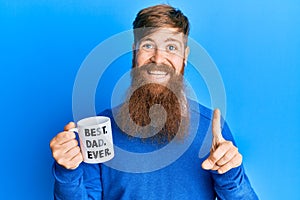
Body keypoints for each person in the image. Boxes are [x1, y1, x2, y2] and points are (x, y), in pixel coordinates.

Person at [50, 4, 258, 199]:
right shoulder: (101, 130)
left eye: (171, 47)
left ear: (185, 56)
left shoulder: (211, 130)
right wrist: (68, 172)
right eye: (148, 45)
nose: (158, 59)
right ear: (135, 51)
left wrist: (230, 174)